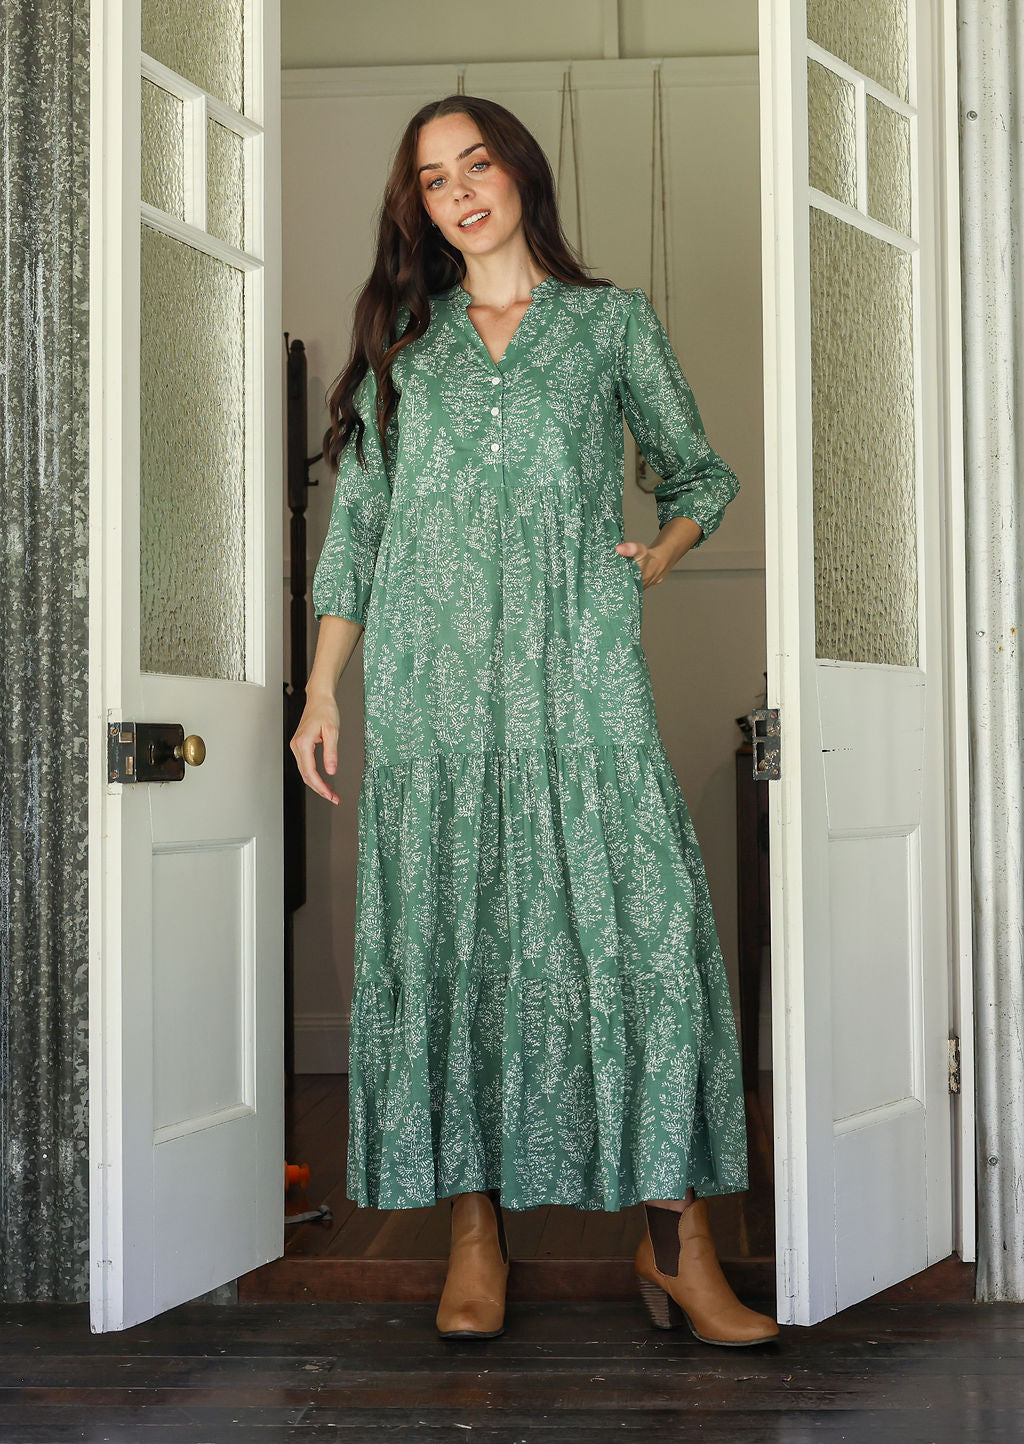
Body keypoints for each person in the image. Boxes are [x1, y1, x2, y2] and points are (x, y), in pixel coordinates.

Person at [290, 92, 779, 1349]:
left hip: (579, 678)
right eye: (433, 177)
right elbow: (361, 531)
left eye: (478, 162)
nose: (459, 189)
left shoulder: (609, 324)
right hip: (436, 692)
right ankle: (472, 1231)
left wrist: (656, 558)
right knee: (459, 945)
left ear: (519, 174)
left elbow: (700, 473)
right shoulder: (409, 340)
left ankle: (676, 1246)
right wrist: (318, 690)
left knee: (644, 940)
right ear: (419, 208)